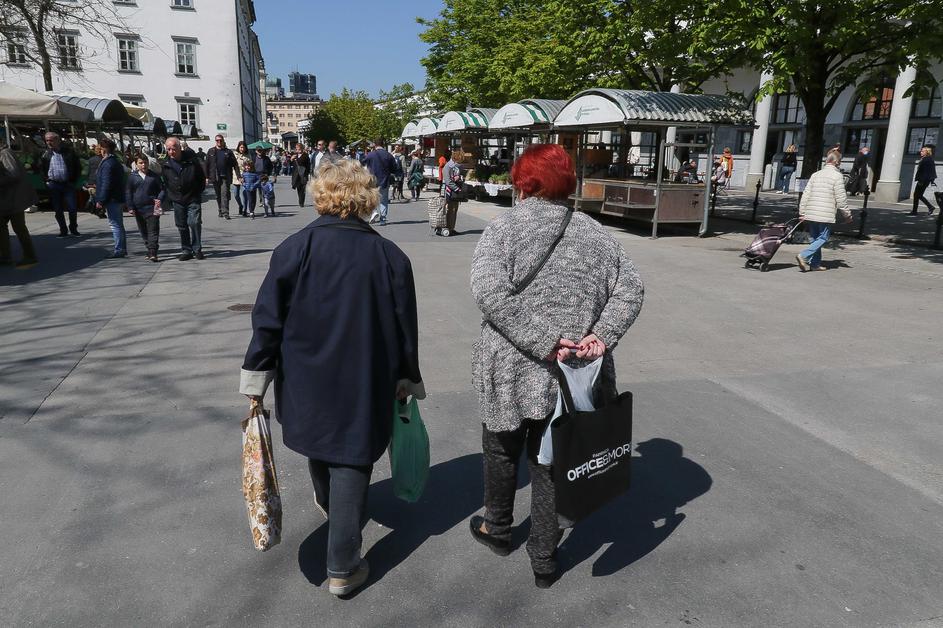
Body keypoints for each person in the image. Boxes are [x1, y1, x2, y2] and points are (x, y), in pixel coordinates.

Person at [239, 157, 424, 598]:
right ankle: (343, 565)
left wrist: (256, 376)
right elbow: (406, 327)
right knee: (353, 455)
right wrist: (407, 376)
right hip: (366, 374)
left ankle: (331, 505)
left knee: (321, 441)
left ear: (321, 195)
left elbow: (267, 321)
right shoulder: (390, 256)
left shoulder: (294, 249)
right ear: (367, 198)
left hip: (306, 375)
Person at [468, 144, 644, 589]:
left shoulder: (503, 228)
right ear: (568, 181)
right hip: (575, 374)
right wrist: (601, 334)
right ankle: (544, 559)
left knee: (501, 448)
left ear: (521, 181)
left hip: (510, 368)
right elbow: (631, 289)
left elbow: (489, 292)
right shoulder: (597, 234)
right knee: (553, 461)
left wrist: (542, 340)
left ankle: (497, 528)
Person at [796, 151, 853, 272]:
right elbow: (841, 198)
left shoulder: (815, 175)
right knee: (823, 238)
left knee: (815, 239)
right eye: (839, 162)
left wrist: (802, 212)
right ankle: (804, 255)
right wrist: (847, 215)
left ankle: (815, 264)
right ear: (837, 162)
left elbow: (806, 194)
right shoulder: (837, 176)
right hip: (825, 214)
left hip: (811, 212)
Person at [161, 137, 207, 260]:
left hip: (192, 197)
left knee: (194, 222)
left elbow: (201, 178)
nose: (171, 152)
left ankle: (197, 248)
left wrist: (197, 192)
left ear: (179, 148)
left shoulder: (192, 161)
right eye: (168, 149)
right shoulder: (166, 165)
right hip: (177, 199)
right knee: (181, 225)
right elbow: (166, 182)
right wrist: (171, 195)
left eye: (173, 149)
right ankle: (186, 250)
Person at [0, 144, 39, 268]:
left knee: (19, 228)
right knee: (4, 228)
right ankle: (6, 257)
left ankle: (29, 256)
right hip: (8, 200)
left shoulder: (5, 153)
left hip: (13, 199)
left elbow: (13, 174)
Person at [38, 132, 82, 238]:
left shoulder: (68, 152)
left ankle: (73, 228)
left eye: (51, 140)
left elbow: (77, 166)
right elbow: (41, 168)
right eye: (47, 140)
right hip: (53, 184)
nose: (49, 142)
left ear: (58, 140)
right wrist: (46, 181)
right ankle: (63, 230)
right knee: (58, 209)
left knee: (72, 208)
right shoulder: (45, 154)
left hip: (68, 184)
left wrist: (73, 180)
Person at [126, 154, 164, 262]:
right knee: (143, 231)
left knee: (153, 230)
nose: (143, 165)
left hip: (152, 207)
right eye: (141, 163)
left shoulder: (154, 176)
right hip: (138, 208)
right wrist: (130, 206)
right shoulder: (132, 177)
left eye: (145, 162)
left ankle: (153, 252)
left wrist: (159, 199)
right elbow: (128, 192)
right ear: (136, 164)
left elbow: (162, 189)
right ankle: (149, 248)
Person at [94, 138, 128, 259]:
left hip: (112, 198)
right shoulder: (114, 161)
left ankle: (119, 249)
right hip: (116, 197)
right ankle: (121, 248)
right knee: (118, 224)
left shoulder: (108, 163)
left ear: (104, 149)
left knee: (115, 224)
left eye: (100, 148)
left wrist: (101, 200)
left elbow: (107, 183)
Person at [205, 134, 240, 220]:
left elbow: (235, 164)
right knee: (218, 195)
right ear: (215, 141)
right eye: (217, 140)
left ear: (223, 140)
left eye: (220, 140)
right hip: (215, 176)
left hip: (225, 176)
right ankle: (220, 209)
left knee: (224, 194)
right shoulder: (211, 151)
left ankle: (226, 212)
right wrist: (206, 177)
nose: (219, 142)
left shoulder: (228, 152)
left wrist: (239, 176)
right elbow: (206, 165)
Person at [363, 140, 398, 225]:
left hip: (372, 181)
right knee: (384, 200)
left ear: (375, 145)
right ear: (383, 144)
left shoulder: (371, 155)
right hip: (385, 180)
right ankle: (383, 219)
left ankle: (374, 212)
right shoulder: (388, 155)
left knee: (371, 198)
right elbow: (394, 168)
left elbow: (362, 162)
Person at [440, 150, 462, 235]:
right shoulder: (448, 166)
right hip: (449, 191)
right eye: (460, 159)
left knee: (454, 209)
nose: (460, 161)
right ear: (456, 158)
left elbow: (456, 176)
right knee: (450, 210)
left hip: (454, 192)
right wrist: (457, 189)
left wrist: (459, 178)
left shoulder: (455, 167)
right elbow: (448, 181)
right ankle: (448, 228)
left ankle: (452, 228)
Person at [911, 146, 938, 216]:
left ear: (927, 152)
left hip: (923, 180)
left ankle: (915, 211)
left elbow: (926, 172)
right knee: (918, 195)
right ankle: (930, 207)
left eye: (923, 151)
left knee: (917, 195)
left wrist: (921, 181)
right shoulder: (927, 159)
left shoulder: (927, 160)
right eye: (921, 151)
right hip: (924, 180)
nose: (921, 152)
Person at [234, 141, 252, 216]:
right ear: (238, 147)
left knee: (244, 194)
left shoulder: (248, 155)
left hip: (245, 176)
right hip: (236, 176)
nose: (242, 149)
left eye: (243, 147)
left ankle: (245, 210)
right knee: (236, 195)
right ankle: (240, 205)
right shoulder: (235, 154)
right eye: (241, 147)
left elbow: (250, 165)